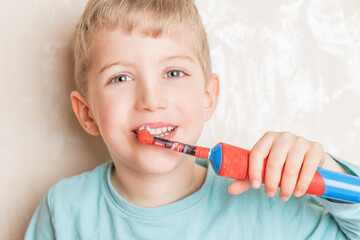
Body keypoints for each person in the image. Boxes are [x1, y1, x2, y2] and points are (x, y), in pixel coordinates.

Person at [25, 0, 360, 239]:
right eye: (121, 78)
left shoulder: (272, 206)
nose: (151, 101)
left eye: (173, 72)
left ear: (207, 97)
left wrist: (328, 175)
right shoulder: (65, 211)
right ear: (87, 114)